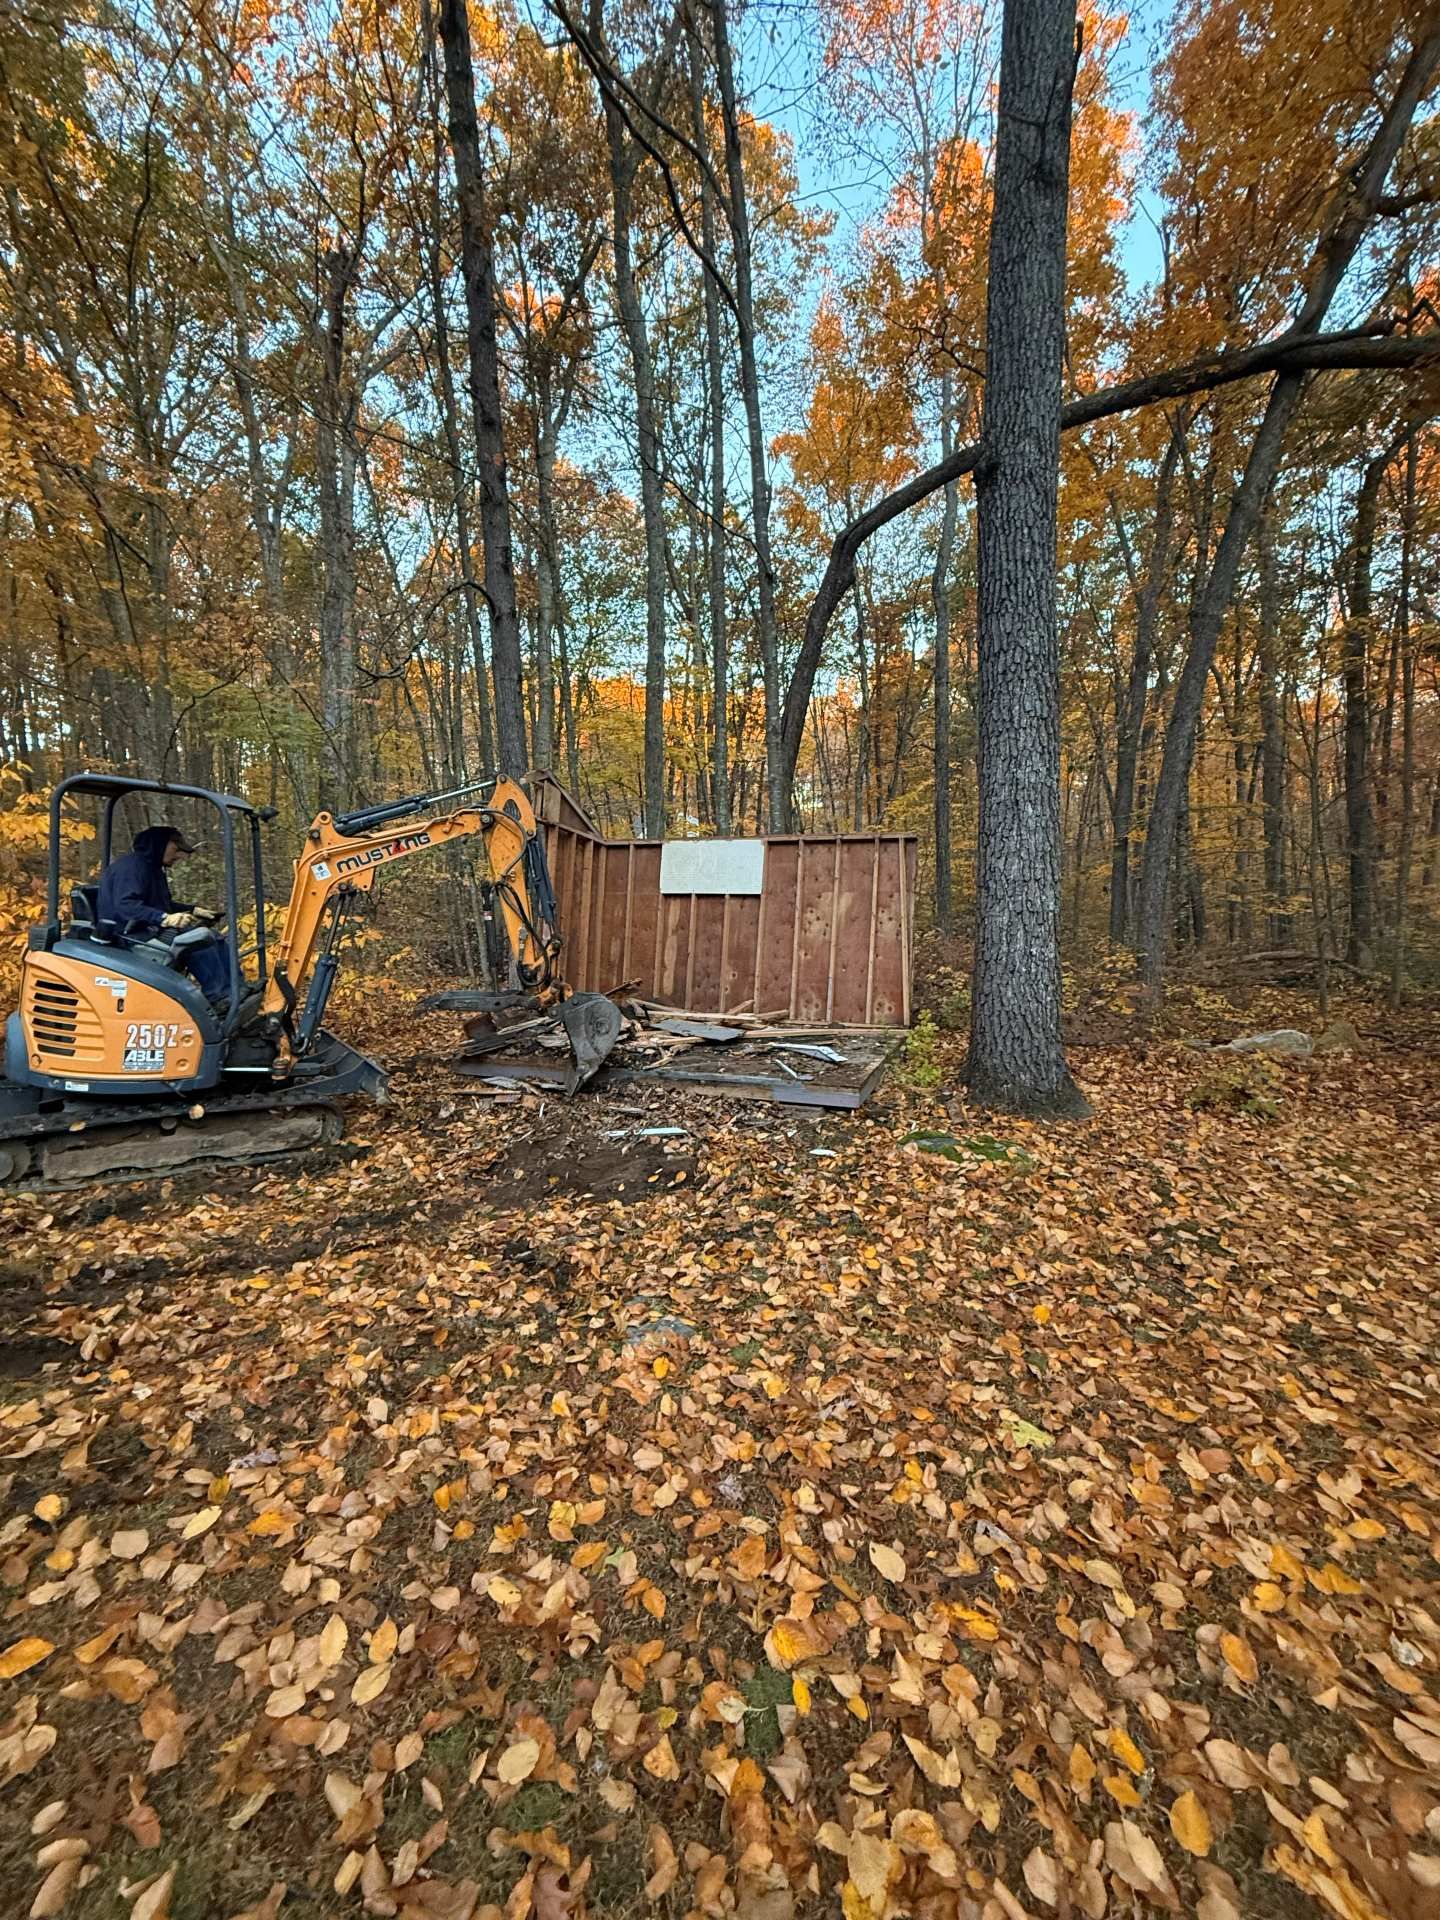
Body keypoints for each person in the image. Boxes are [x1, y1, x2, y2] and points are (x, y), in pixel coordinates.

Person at [95, 825, 229, 1008]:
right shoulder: (131, 868)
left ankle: (234, 991)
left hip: (146, 931)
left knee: (214, 937)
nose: (179, 856)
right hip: (127, 938)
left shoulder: (152, 868)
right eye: (175, 850)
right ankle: (218, 998)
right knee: (198, 943)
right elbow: (125, 906)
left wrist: (193, 910)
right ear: (157, 845)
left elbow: (159, 904)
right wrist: (164, 918)